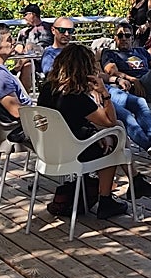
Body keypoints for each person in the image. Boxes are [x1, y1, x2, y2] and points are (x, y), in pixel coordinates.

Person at [37, 45, 133, 219]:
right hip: (74, 152)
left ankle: (135, 180)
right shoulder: (77, 97)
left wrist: (95, 133)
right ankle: (106, 200)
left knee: (109, 134)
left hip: (48, 150)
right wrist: (104, 93)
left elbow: (71, 122)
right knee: (116, 133)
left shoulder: (47, 89)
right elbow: (110, 121)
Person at [99, 21, 151, 161]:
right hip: (133, 87)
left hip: (150, 84)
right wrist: (132, 79)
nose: (124, 38)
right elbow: (111, 71)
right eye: (120, 36)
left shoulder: (142, 51)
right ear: (115, 38)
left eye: (127, 35)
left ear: (132, 38)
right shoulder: (110, 53)